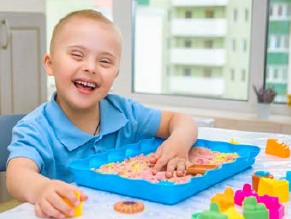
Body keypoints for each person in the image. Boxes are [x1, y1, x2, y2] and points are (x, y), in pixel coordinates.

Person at [6, 9, 198, 218]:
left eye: (105, 61)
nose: (90, 67)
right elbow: (17, 175)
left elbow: (181, 120)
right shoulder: (35, 128)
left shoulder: (126, 113)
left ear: (115, 73)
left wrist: (179, 141)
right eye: (77, 55)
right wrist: (41, 188)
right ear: (50, 64)